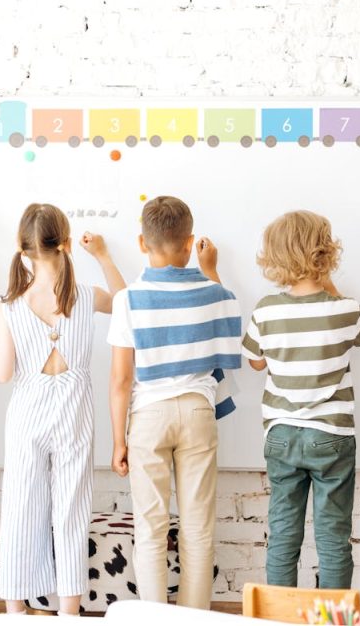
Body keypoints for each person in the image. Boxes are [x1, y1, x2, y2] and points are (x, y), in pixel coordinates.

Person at [0, 203, 125, 616]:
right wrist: (104, 256)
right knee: (72, 510)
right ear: (65, 242)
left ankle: (15, 610)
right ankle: (68, 611)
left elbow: (4, 373)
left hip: (28, 411)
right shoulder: (84, 296)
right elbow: (124, 300)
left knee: (21, 506)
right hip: (74, 412)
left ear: (23, 248)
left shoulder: (11, 304)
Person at [107, 195, 242, 608]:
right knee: (198, 528)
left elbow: (121, 380)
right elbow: (224, 344)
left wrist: (118, 441)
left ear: (141, 242)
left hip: (148, 415)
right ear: (190, 243)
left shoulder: (128, 299)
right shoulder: (216, 293)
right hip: (198, 412)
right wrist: (210, 269)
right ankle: (194, 618)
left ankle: (153, 618)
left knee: (150, 527)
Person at [242, 210, 360, 589]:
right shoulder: (345, 309)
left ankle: (278, 618)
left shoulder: (266, 310)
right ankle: (332, 619)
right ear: (325, 254)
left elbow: (256, 362)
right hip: (332, 435)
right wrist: (328, 285)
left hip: (282, 434)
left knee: (284, 534)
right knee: (333, 538)